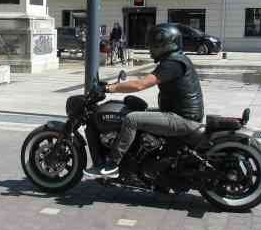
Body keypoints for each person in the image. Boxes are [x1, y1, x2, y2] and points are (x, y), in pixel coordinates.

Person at [84, 23, 205, 179]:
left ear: (164, 44)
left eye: (153, 44)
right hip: (180, 114)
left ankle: (112, 164)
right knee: (138, 113)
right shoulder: (177, 60)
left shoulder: (173, 64)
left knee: (132, 119)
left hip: (182, 119)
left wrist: (108, 88)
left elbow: (140, 84)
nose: (150, 48)